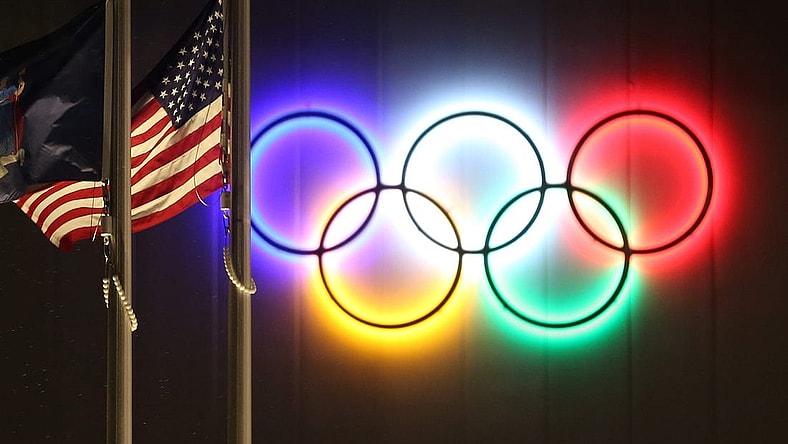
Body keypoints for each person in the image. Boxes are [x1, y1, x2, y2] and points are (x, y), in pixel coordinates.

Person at [0, 70, 25, 179]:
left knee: (9, 131)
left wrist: (22, 84)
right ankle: (5, 151)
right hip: (2, 113)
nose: (3, 82)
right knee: (3, 131)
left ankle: (9, 150)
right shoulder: (2, 92)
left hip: (8, 113)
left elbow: (17, 93)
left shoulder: (9, 90)